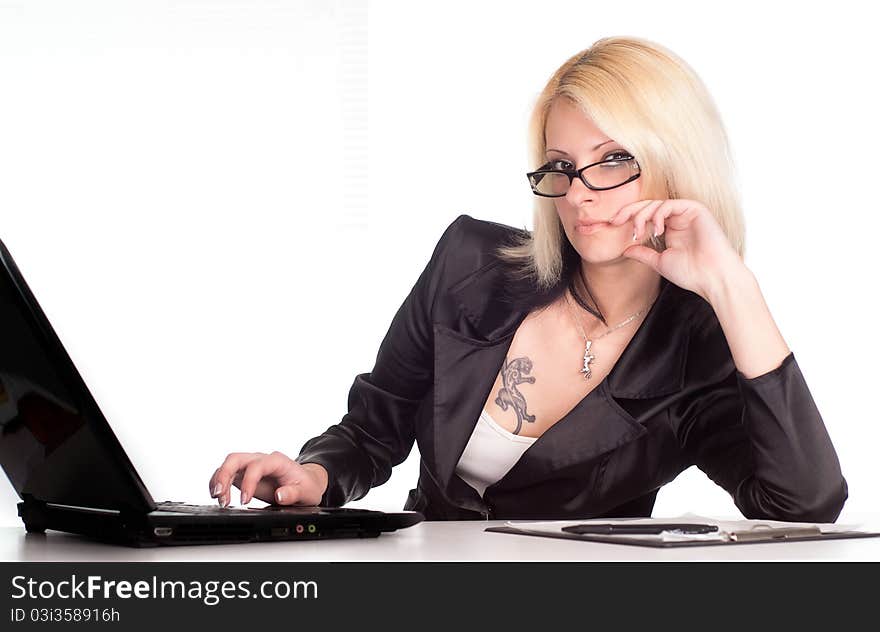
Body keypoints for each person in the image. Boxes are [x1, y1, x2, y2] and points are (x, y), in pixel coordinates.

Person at [207, 36, 847, 522]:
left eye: (615, 160)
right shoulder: (469, 263)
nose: (578, 195)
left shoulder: (699, 352)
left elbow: (804, 506)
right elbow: (373, 431)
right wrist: (314, 477)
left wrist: (733, 287)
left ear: (677, 165)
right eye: (561, 166)